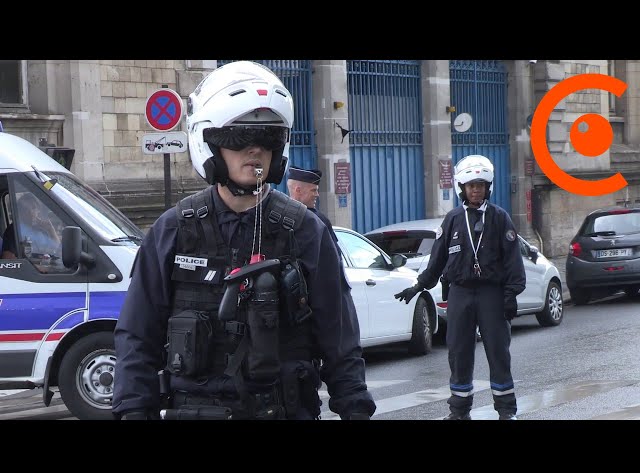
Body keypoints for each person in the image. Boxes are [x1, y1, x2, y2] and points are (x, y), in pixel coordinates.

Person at [112, 61, 376, 421]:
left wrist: (355, 409)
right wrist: (132, 411)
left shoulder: (306, 231)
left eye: (268, 140)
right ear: (209, 142)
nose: (256, 151)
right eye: (240, 139)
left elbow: (340, 339)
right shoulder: (172, 231)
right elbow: (137, 337)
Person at [394, 154, 525, 420]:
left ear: (488, 187)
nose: (475, 190)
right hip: (460, 294)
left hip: (491, 293)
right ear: (462, 189)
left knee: (498, 352)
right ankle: (459, 411)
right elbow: (437, 259)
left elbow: (513, 261)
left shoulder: (500, 218)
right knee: (458, 352)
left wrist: (511, 295)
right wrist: (418, 285)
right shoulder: (453, 219)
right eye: (470, 186)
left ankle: (506, 411)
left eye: (480, 185)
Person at [286, 165, 339, 245]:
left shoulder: (278, 214)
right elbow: (334, 255)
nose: (317, 195)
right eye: (313, 190)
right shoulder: (319, 220)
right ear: (298, 190)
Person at [1, 192, 61, 262]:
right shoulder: (14, 230)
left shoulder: (42, 229)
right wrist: (35, 264)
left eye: (34, 208)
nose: (32, 212)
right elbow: (8, 259)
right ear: (20, 212)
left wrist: (51, 230)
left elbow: (57, 249)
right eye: (27, 209)